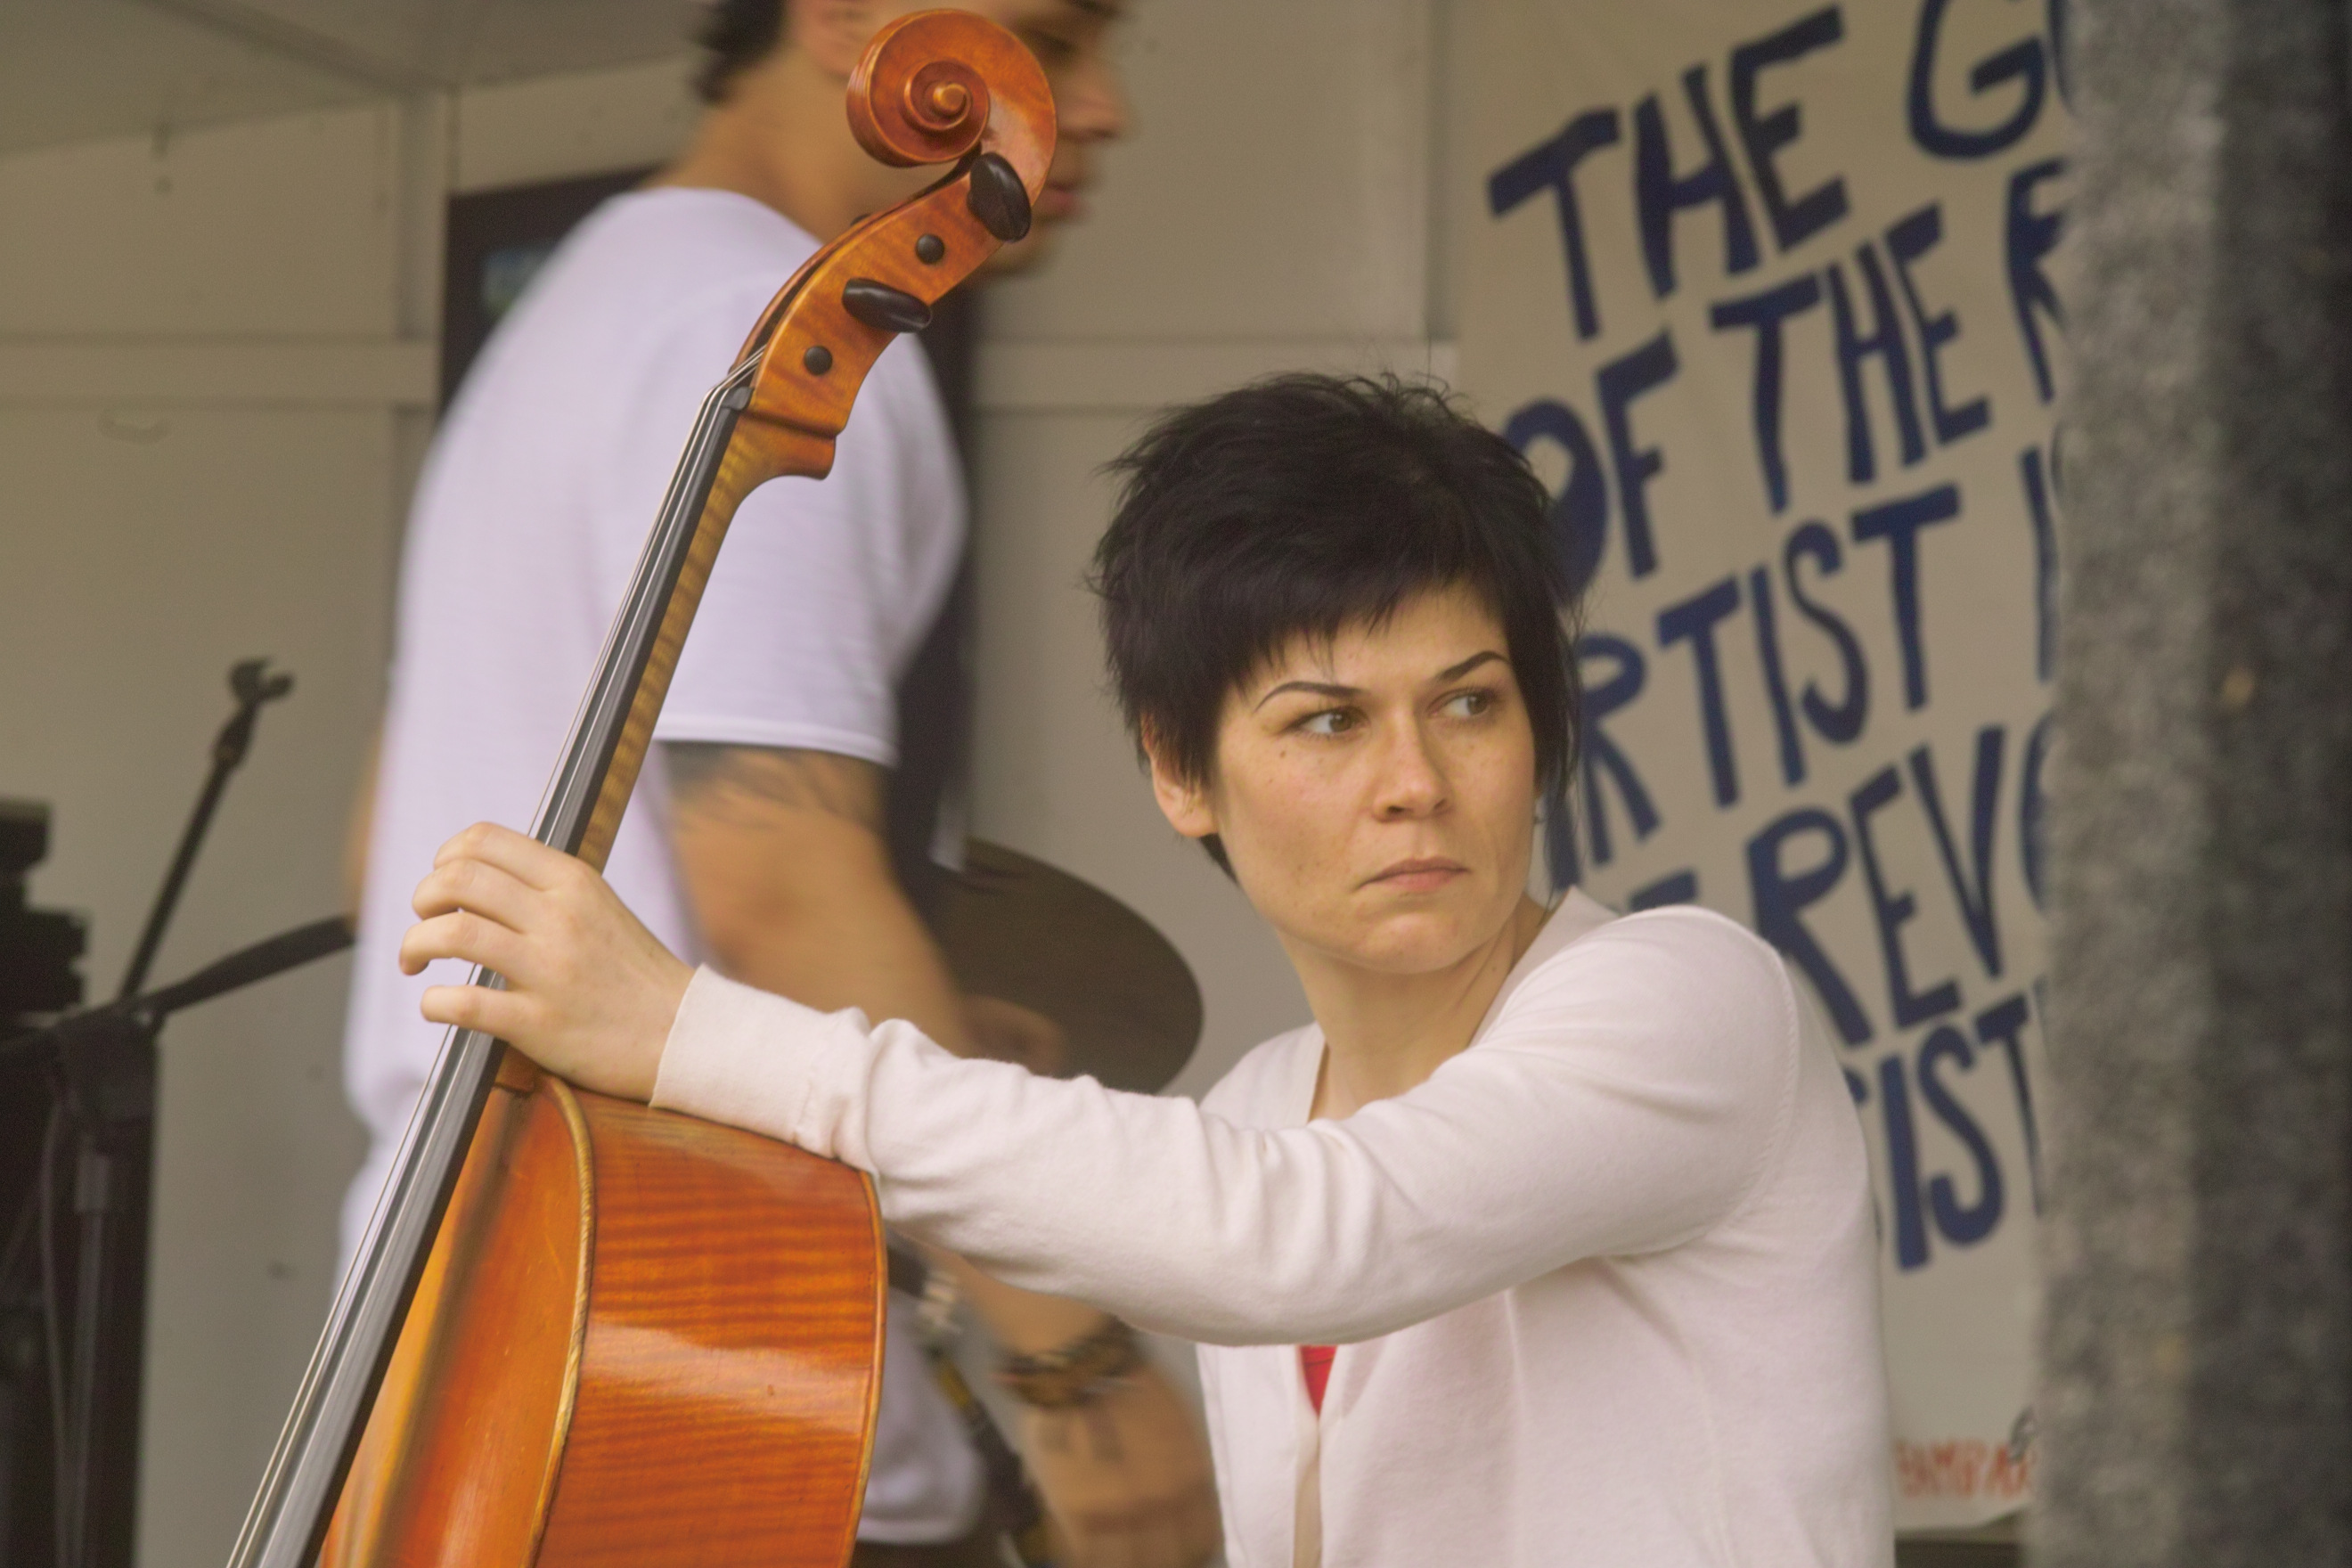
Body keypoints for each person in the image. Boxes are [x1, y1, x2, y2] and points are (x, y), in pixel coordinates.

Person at [397, 375, 1898, 1568]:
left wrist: (688, 1031)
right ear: (1180, 771)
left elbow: (1310, 1234)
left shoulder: (1690, 1001)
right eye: (1328, 721)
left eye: (1469, 704)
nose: (1416, 783)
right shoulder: (1255, 1113)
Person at [341, 2, 1222, 1564]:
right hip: (680, 1362)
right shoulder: (767, 344)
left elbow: (383, 850)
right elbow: (777, 891)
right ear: (845, 20)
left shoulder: (584, 301)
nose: (1101, 109)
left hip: (462, 1333)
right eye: (1050, 36)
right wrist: (1071, 1358)